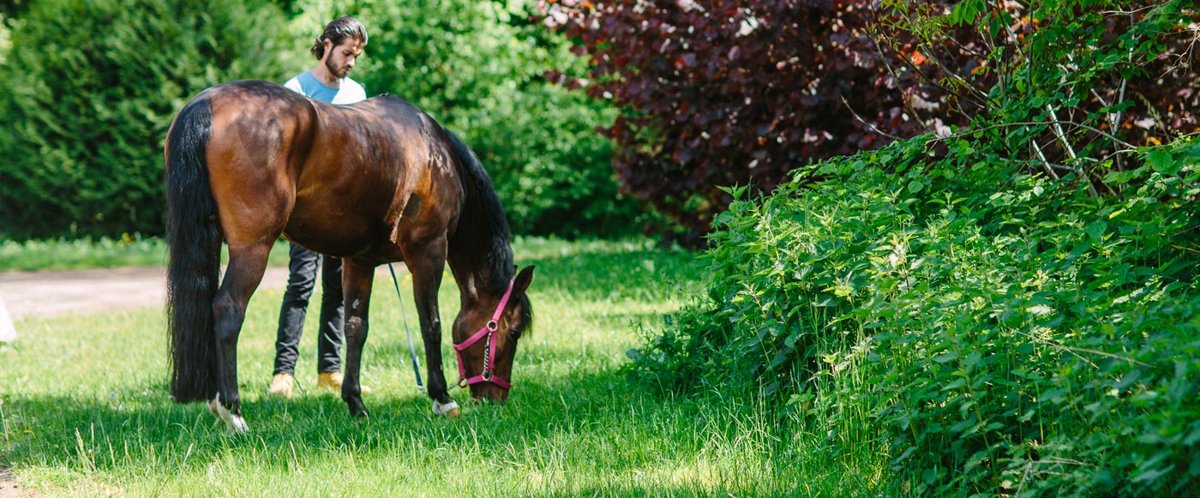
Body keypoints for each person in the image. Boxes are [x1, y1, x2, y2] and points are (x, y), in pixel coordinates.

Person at [268, 16, 369, 398]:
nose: (351, 62)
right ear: (325, 45)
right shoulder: (293, 91)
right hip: (306, 210)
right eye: (346, 53)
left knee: (337, 289)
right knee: (300, 285)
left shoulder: (356, 94)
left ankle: (330, 370)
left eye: (357, 56)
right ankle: (283, 372)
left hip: (345, 212)